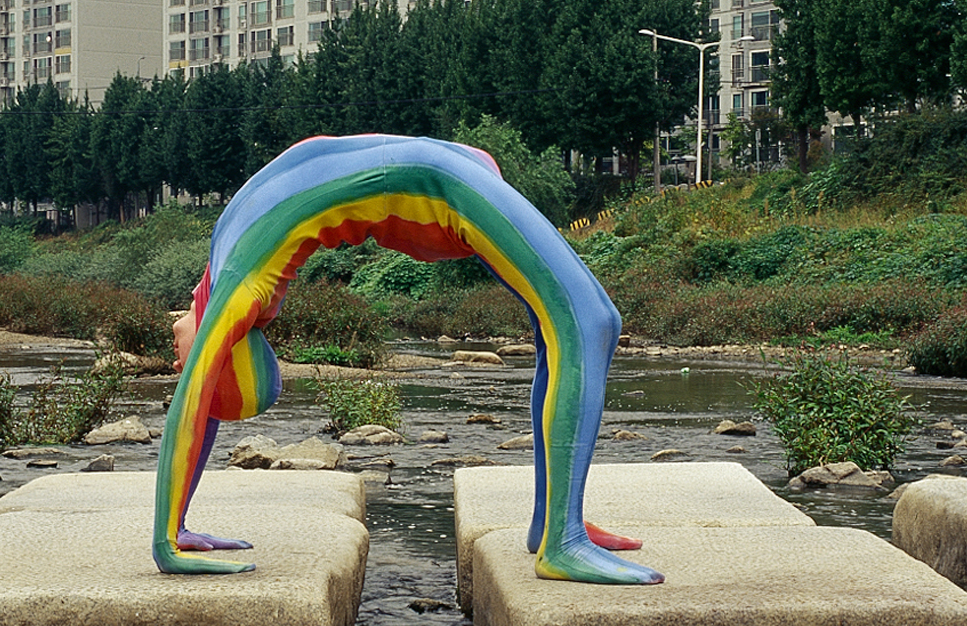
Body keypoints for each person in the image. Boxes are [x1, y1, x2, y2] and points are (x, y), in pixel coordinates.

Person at [154, 133, 657, 586]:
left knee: (584, 323)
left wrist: (168, 541)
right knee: (586, 321)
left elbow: (193, 403)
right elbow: (197, 402)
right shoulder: (232, 280)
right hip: (437, 180)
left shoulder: (229, 280)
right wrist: (171, 534)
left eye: (191, 359)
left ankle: (559, 533)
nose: (183, 364)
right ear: (235, 350)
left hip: (438, 179)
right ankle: (557, 531)